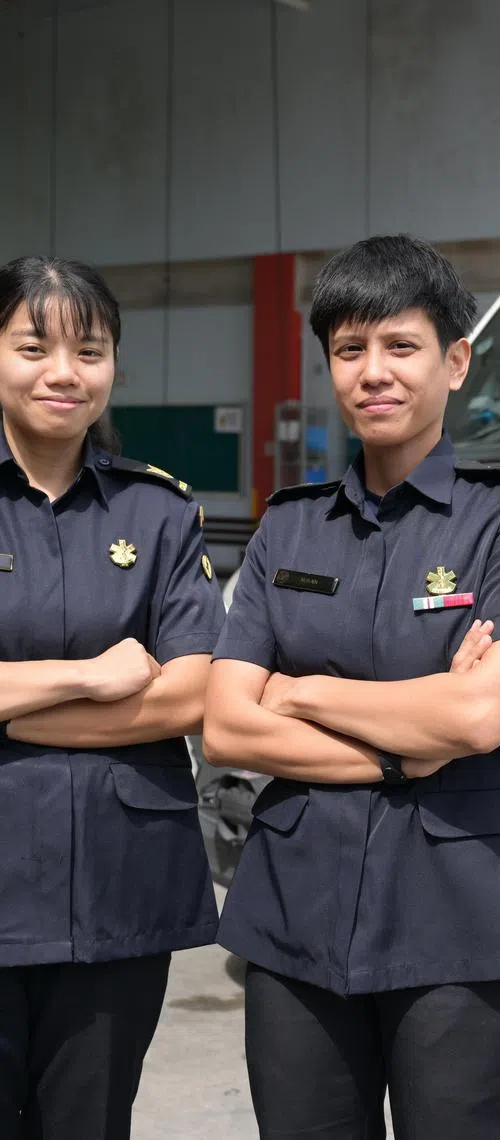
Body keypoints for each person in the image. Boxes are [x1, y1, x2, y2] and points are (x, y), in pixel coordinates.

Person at [203, 234, 500, 1140]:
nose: (373, 373)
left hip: (466, 923)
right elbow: (224, 727)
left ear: (455, 361)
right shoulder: (287, 529)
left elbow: (482, 713)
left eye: (400, 347)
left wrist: (299, 694)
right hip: (298, 913)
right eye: (349, 350)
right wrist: (404, 753)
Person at [0, 255, 224, 1139]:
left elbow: (193, 690)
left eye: (89, 351)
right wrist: (89, 676)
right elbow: (141, 687)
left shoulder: (159, 513)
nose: (64, 372)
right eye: (33, 346)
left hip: (115, 896)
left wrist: (15, 707)